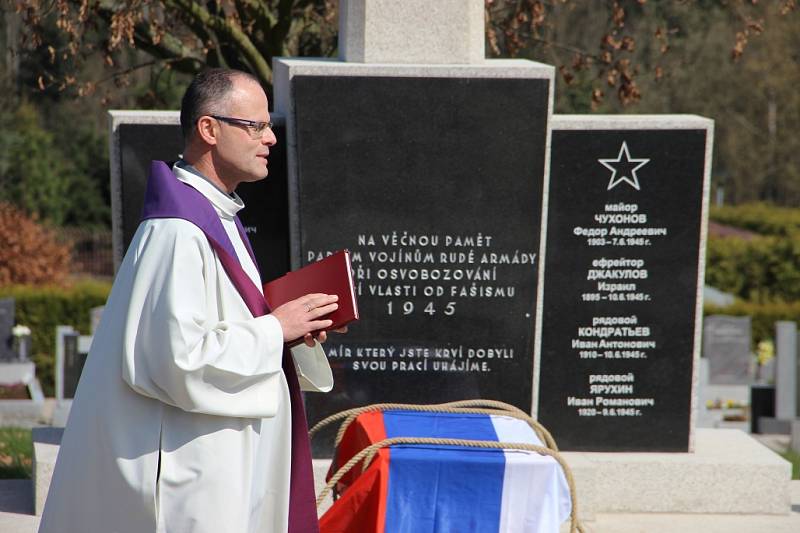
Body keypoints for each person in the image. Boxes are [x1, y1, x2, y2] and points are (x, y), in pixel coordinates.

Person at [39, 68, 339, 533]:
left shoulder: (217, 217)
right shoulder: (177, 231)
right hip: (192, 473)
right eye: (256, 126)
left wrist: (292, 334)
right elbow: (174, 359)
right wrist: (275, 329)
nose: (270, 140)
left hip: (221, 461)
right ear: (209, 129)